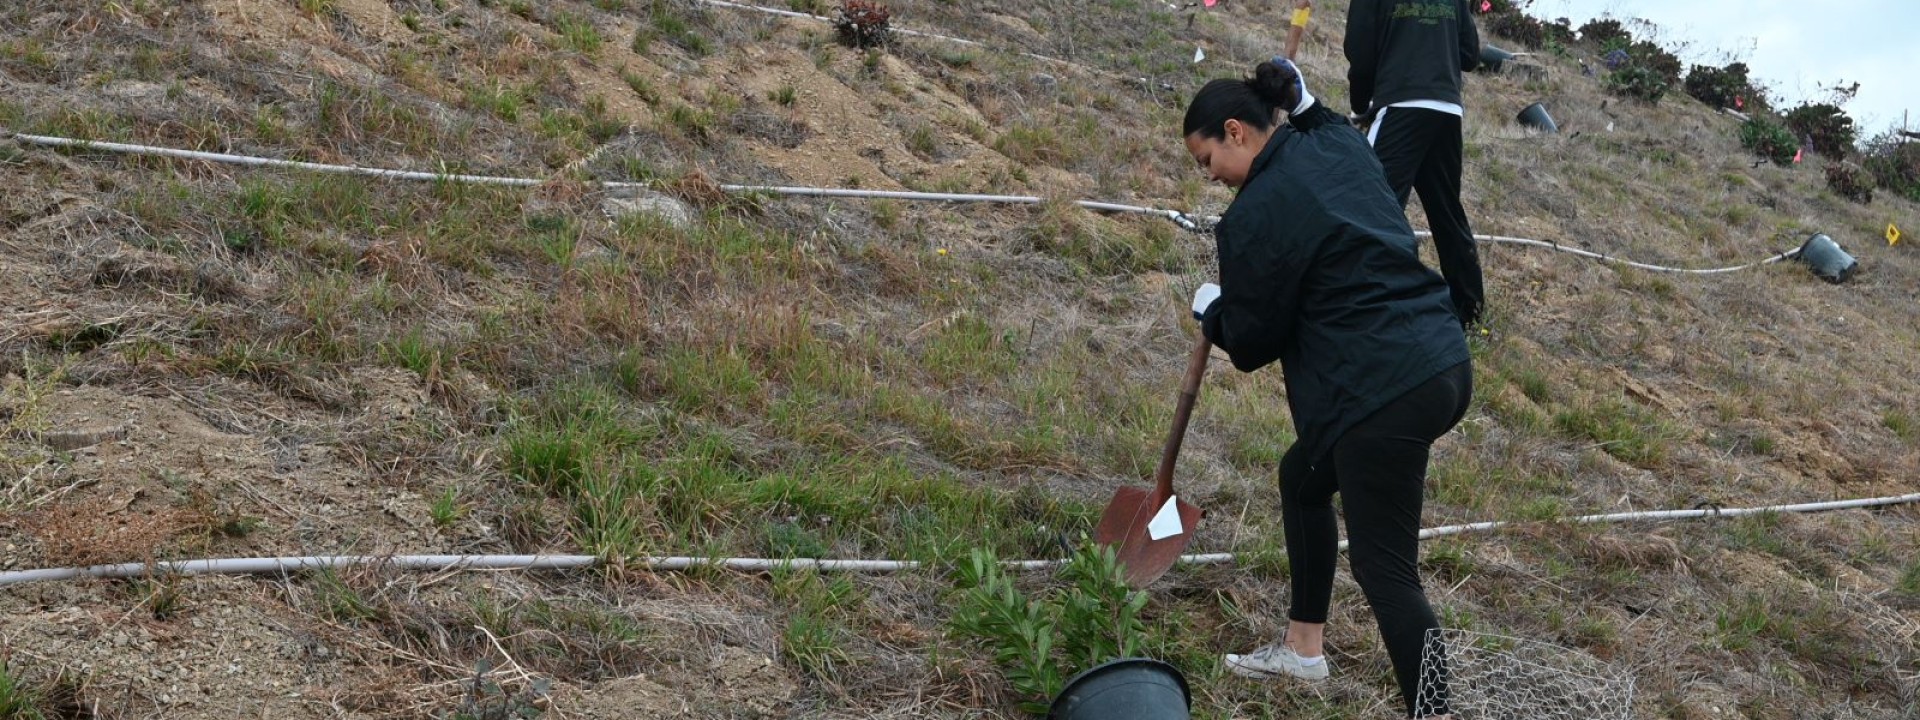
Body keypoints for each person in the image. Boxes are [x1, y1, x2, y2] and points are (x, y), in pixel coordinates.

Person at [1183, 58, 1472, 719]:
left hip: (1381, 390)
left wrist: (1214, 311)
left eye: (1208, 160)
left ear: (1237, 131)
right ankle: (1304, 649)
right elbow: (1326, 124)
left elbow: (1254, 342)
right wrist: (1305, 98)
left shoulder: (1252, 216)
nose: (1211, 178)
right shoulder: (1336, 144)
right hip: (1440, 360)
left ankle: (1433, 713)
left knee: (1386, 571)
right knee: (1303, 478)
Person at [1345, 0, 1485, 328]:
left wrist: (1361, 101)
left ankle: (1359, 302)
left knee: (1371, 206)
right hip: (1447, 108)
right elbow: (1469, 54)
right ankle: (1471, 312)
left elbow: (1360, 49)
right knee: (1446, 211)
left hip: (1401, 102)